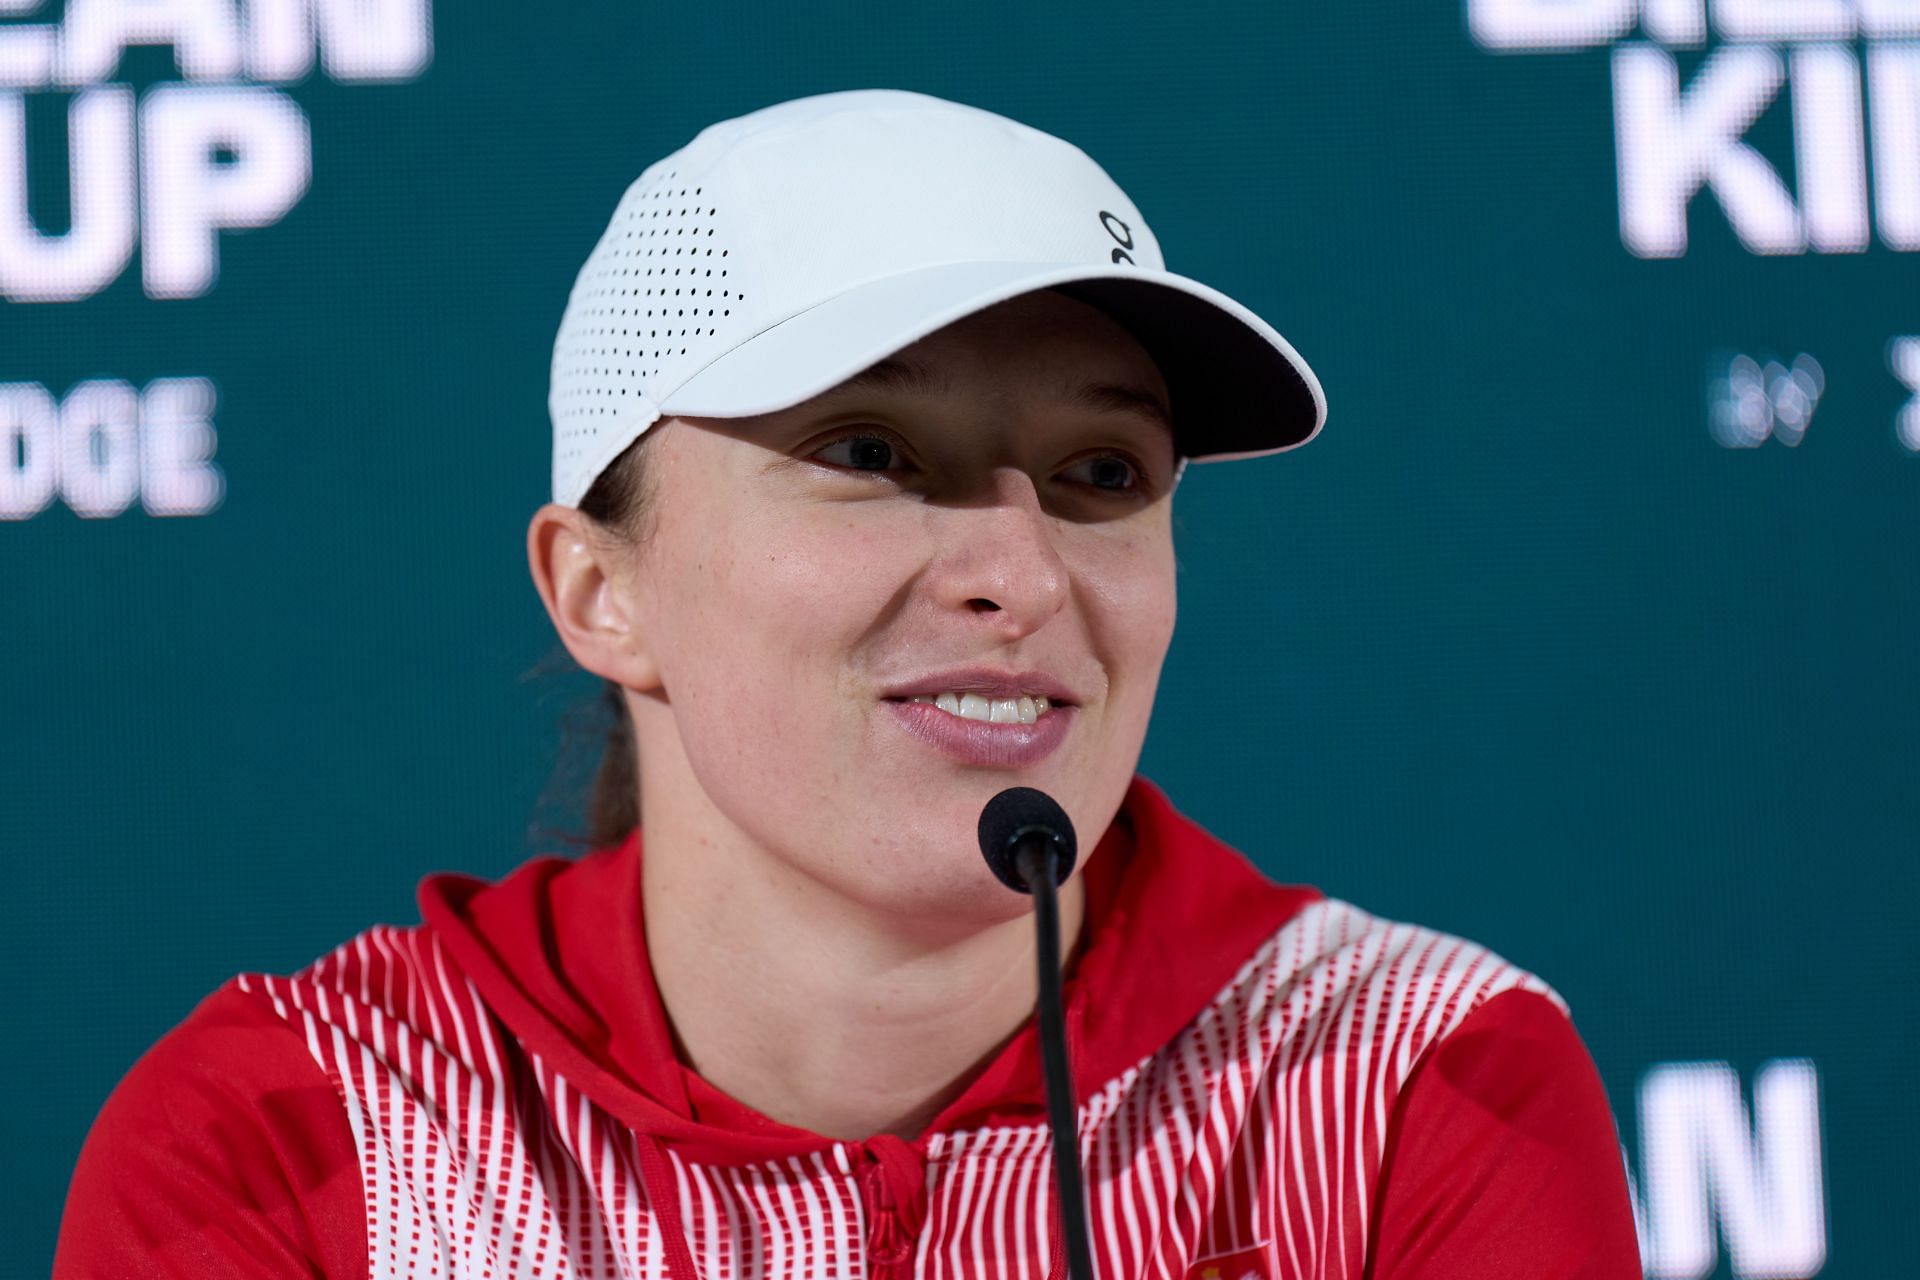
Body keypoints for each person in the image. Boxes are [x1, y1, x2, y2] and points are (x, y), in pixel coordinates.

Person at [55, 89, 1641, 1279]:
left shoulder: (1411, 1084)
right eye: (870, 455)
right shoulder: (285, 1134)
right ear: (602, 592)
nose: (1019, 574)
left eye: (1104, 470)